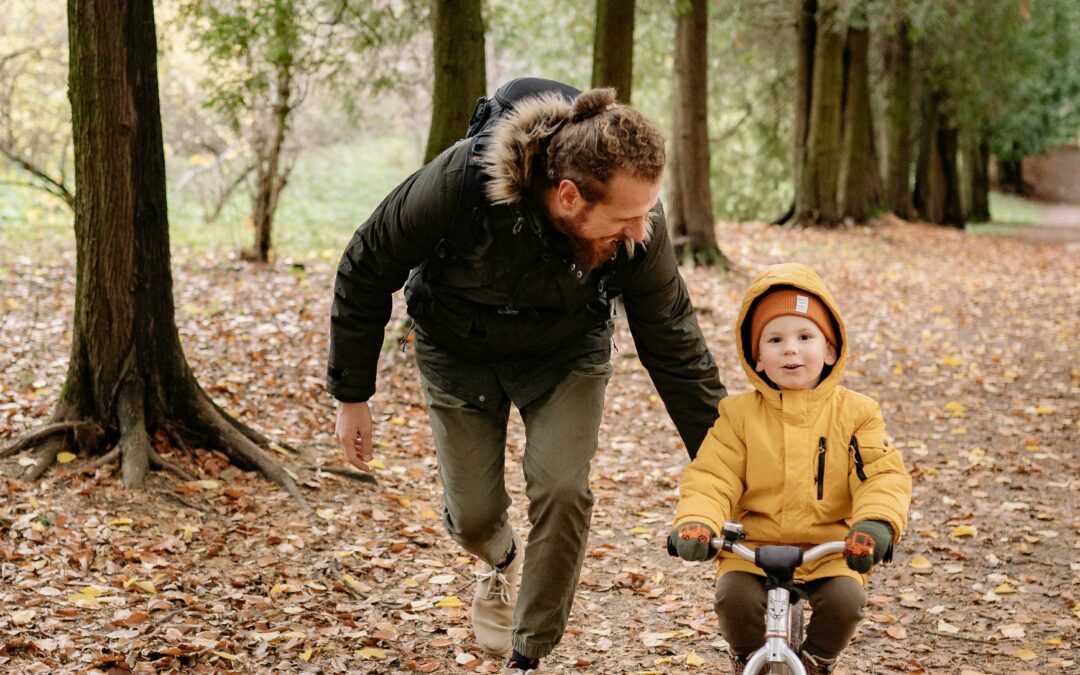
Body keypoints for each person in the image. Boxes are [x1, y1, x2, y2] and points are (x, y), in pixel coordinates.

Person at [328, 82, 726, 674]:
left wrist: (729, 463)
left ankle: (529, 651)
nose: (639, 231)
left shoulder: (639, 225)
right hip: (457, 347)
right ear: (568, 196)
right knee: (472, 518)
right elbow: (366, 263)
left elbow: (674, 340)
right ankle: (499, 557)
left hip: (564, 351)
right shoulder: (461, 182)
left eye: (646, 213)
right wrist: (352, 393)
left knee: (563, 488)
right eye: (625, 218)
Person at [667, 263, 912, 675]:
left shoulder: (857, 414)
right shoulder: (738, 416)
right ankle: (749, 659)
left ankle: (816, 662)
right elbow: (713, 476)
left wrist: (875, 522)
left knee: (846, 601)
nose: (790, 350)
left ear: (830, 350)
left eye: (805, 337)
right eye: (775, 339)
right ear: (758, 358)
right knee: (733, 598)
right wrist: (698, 521)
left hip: (830, 547)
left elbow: (880, 475)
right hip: (753, 547)